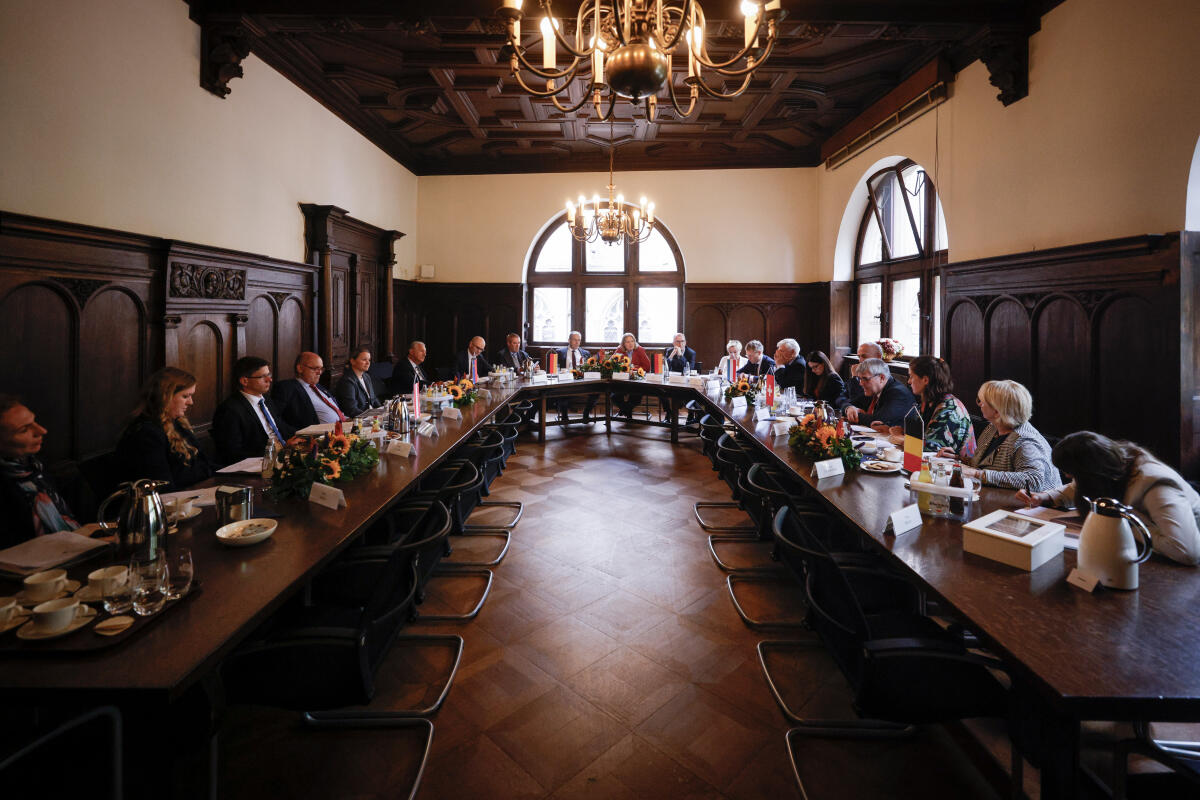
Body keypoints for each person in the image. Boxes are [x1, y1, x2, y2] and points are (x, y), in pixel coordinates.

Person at [1018, 431, 1200, 565]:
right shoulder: (1112, 465)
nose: (1067, 477)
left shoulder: (1155, 484)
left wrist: (1127, 518)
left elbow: (1186, 552)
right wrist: (1045, 497)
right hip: (1142, 551)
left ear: (1089, 473)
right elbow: (1076, 487)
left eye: (1072, 473)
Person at [939, 379, 1059, 492]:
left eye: (982, 401)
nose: (979, 404)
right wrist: (958, 459)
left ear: (997, 411)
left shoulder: (1025, 441)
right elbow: (987, 466)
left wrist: (977, 474)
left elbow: (1034, 481)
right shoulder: (993, 428)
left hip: (1035, 510)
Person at [115, 367, 214, 492]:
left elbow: (203, 464)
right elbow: (163, 486)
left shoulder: (177, 423)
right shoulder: (145, 433)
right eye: (185, 396)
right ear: (165, 396)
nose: (191, 402)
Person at [0, 395, 80, 548]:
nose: (42, 431)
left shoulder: (34, 468)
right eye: (24, 430)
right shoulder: (6, 485)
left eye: (34, 421)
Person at [874, 356, 976, 459]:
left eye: (911, 376)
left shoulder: (949, 409)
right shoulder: (928, 402)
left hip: (956, 469)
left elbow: (932, 447)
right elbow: (917, 435)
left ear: (925, 380)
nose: (909, 381)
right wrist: (890, 429)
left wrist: (900, 437)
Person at [211, 357, 299, 465]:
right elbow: (233, 453)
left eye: (269, 375)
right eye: (263, 377)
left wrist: (304, 436)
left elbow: (280, 426)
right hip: (258, 465)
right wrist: (281, 448)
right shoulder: (229, 410)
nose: (269, 380)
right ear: (244, 381)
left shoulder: (266, 400)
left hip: (283, 456)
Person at [272, 352, 346, 431]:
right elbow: (275, 419)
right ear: (300, 368)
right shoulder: (286, 387)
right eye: (315, 369)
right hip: (316, 436)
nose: (319, 373)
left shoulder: (319, 387)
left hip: (343, 428)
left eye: (321, 369)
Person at [842, 358, 916, 427]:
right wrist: (849, 408)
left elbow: (876, 421)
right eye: (859, 379)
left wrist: (854, 414)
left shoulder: (898, 394)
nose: (861, 383)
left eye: (865, 379)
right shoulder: (874, 389)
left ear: (881, 378)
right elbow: (848, 403)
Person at [555, 331, 597, 424]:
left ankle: (586, 414)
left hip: (583, 381)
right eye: (575, 340)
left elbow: (590, 369)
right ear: (569, 340)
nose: (577, 342)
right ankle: (564, 417)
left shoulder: (586, 353)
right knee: (562, 393)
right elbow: (555, 369)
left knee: (596, 391)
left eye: (579, 340)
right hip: (565, 381)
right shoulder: (560, 352)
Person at [611, 332, 653, 418]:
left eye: (632, 341)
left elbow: (647, 367)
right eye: (627, 342)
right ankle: (627, 410)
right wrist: (622, 370)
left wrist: (634, 369)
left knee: (636, 396)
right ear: (623, 344)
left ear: (634, 342)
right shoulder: (619, 350)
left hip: (636, 382)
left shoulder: (640, 350)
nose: (630, 344)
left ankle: (625, 410)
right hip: (622, 382)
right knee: (614, 396)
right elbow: (611, 364)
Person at [334, 346, 382, 417]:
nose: (368, 363)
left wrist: (382, 411)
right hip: (358, 420)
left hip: (371, 417)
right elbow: (351, 410)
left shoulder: (366, 376)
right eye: (364, 360)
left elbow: (373, 398)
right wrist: (372, 416)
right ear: (353, 361)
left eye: (369, 360)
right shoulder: (347, 381)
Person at [837, 341, 885, 410]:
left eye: (864, 356)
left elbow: (859, 404)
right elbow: (840, 398)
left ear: (878, 357)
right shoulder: (861, 374)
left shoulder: (880, 379)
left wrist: (854, 378)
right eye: (859, 357)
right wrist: (848, 407)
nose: (860, 361)